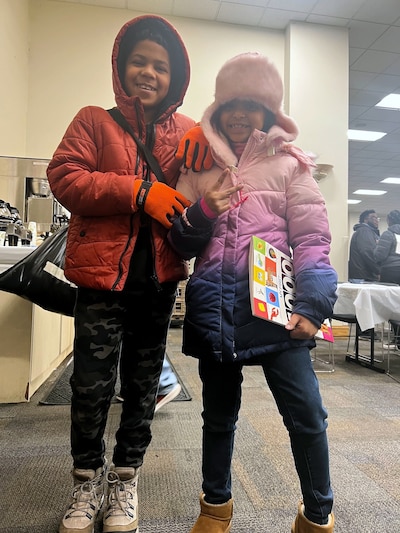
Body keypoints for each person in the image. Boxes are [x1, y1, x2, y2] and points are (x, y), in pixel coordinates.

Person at [168, 52, 337, 532]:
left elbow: (311, 240)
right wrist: (202, 210)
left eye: (251, 104)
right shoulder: (198, 164)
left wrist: (312, 304)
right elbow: (179, 241)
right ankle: (215, 508)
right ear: (217, 109)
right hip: (215, 309)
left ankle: (317, 515)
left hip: (279, 311)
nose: (239, 114)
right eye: (230, 104)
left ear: (268, 112)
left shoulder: (291, 166)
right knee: (217, 417)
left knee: (306, 413)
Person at [47, 14, 197, 533]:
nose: (149, 73)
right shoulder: (93, 120)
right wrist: (138, 192)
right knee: (89, 386)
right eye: (139, 61)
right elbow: (65, 176)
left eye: (160, 66)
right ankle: (87, 481)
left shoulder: (186, 134)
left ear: (174, 77)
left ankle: (126, 479)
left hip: (158, 283)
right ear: (121, 66)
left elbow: (206, 187)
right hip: (99, 282)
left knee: (142, 386)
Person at [374, 209, 400, 348]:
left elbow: (379, 255)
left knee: (391, 304)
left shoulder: (388, 234)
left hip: (390, 272)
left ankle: (397, 338)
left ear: (389, 220)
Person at [348, 209, 380, 282]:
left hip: (361, 276)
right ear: (366, 219)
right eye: (374, 217)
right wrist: (378, 271)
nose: (377, 220)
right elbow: (368, 252)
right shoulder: (364, 231)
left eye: (377, 218)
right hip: (363, 277)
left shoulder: (366, 231)